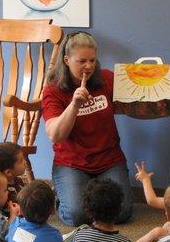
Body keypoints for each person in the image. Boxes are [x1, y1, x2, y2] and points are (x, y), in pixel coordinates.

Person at [41, 32, 133, 227]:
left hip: (109, 160)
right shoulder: (53, 90)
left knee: (122, 213)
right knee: (77, 216)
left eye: (92, 60)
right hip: (71, 163)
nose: (89, 66)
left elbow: (140, 103)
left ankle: (88, 192)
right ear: (66, 60)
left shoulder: (107, 79)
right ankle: (61, 196)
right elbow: (55, 135)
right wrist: (74, 105)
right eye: (81, 61)